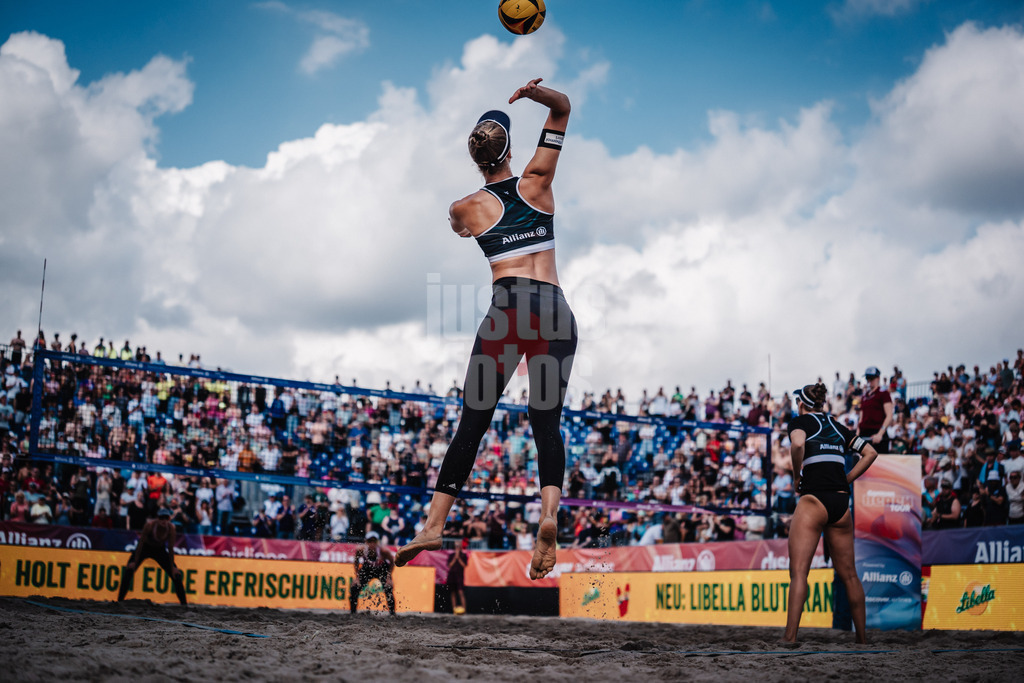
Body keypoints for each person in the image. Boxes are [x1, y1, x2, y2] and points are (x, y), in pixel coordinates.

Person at [397, 78, 577, 582]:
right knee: (546, 423)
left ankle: (433, 526)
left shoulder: (466, 207)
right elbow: (562, 108)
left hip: (509, 306)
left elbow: (457, 227)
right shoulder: (539, 181)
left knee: (473, 422)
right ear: (511, 151)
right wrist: (535, 97)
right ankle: (547, 515)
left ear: (477, 158)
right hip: (556, 310)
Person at [783, 383, 877, 645]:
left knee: (799, 573)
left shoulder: (799, 422)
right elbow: (870, 452)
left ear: (801, 404)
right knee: (849, 575)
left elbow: (798, 444)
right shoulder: (837, 426)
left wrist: (795, 476)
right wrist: (846, 479)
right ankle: (861, 639)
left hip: (814, 500)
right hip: (840, 504)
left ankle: (790, 637)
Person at [117, 508, 188, 605]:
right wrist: (134, 561)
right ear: (157, 519)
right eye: (161, 518)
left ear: (169, 519)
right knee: (129, 570)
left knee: (176, 575)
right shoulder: (149, 526)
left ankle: (184, 605)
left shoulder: (171, 528)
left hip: (159, 550)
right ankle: (119, 601)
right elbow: (140, 544)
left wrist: (172, 567)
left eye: (166, 518)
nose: (163, 520)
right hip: (145, 548)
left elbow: (170, 549)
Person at [350, 531, 396, 616]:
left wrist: (388, 578)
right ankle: (352, 613)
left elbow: (392, 562)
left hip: (382, 569)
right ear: (366, 542)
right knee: (354, 587)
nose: (372, 544)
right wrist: (357, 577)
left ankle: (392, 614)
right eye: (369, 541)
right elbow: (356, 561)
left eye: (374, 541)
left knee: (388, 588)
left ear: (377, 542)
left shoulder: (383, 551)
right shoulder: (361, 550)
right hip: (367, 569)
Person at [858, 366, 893, 453]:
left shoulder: (883, 393)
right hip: (864, 434)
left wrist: (880, 434)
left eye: (871, 378)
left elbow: (889, 415)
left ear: (878, 378)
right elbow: (861, 418)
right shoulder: (864, 396)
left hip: (877, 433)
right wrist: (857, 434)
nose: (869, 381)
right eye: (867, 378)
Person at [447, 538, 469, 615]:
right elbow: (450, 565)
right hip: (452, 575)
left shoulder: (463, 555)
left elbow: (464, 565)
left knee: (460, 592)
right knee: (453, 593)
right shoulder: (451, 555)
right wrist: (455, 557)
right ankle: (454, 610)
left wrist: (458, 558)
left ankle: (464, 610)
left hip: (459, 576)